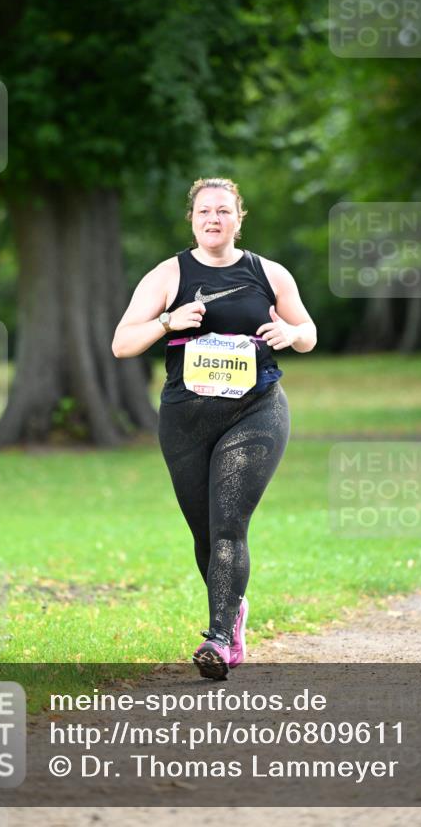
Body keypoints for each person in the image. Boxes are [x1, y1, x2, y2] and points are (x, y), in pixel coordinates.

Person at [112, 177, 317, 679]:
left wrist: (290, 333)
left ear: (239, 218)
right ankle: (234, 609)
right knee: (204, 531)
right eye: (204, 211)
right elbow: (121, 343)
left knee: (229, 522)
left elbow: (308, 332)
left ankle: (219, 638)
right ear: (192, 219)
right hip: (185, 417)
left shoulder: (269, 274)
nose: (213, 219)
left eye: (224, 211)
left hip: (256, 410)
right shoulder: (167, 275)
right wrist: (167, 321)